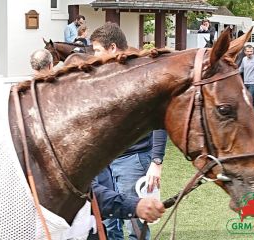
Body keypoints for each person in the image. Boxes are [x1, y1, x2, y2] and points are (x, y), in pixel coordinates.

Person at [90, 22, 167, 240]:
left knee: (136, 222)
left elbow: (159, 120)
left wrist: (156, 162)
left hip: (133, 160)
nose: (94, 56)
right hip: (106, 162)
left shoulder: (140, 76)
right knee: (109, 221)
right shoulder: (105, 77)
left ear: (112, 47)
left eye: (97, 50)